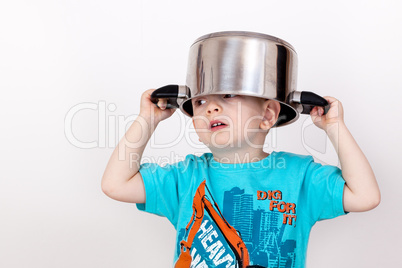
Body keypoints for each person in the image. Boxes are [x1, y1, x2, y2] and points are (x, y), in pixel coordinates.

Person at [101, 89, 380, 268]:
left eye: (228, 96)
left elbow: (365, 196)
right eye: (199, 101)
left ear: (268, 115)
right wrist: (147, 119)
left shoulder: (299, 176)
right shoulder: (185, 177)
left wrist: (335, 127)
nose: (210, 107)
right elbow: (116, 184)